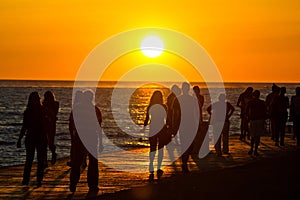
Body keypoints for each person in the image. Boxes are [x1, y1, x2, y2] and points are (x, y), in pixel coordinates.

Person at [69, 90, 102, 193]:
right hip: (91, 137)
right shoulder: (95, 109)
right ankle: (92, 185)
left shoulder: (77, 109)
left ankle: (73, 182)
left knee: (77, 161)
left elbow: (71, 124)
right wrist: (100, 141)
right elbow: (98, 126)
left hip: (80, 137)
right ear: (91, 98)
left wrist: (73, 137)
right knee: (93, 162)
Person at [17, 92, 47, 187]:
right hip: (32, 137)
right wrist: (20, 138)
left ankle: (38, 179)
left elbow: (45, 126)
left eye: (37, 98)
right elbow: (24, 126)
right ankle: (27, 179)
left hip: (39, 137)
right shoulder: (29, 112)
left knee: (39, 160)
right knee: (30, 159)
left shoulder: (41, 110)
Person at [143, 90, 168, 180]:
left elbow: (167, 119)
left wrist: (143, 128)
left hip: (158, 129)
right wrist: (143, 128)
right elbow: (146, 119)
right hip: (156, 128)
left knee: (157, 148)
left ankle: (156, 166)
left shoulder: (156, 106)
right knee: (155, 148)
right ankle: (153, 165)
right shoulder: (157, 107)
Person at [177, 82, 199, 172]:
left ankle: (185, 158)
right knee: (184, 143)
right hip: (183, 123)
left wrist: (198, 122)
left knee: (190, 144)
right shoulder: (178, 99)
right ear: (182, 89)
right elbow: (175, 113)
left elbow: (197, 112)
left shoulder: (192, 99)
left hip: (191, 123)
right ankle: (184, 162)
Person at [246, 90, 266, 156]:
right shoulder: (262, 102)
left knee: (253, 136)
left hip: (253, 119)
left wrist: (248, 118)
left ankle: (251, 149)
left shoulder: (250, 102)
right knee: (257, 136)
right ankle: (255, 150)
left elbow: (246, 111)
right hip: (260, 119)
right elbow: (264, 112)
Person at [165, 85, 181, 164]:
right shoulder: (173, 97)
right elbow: (171, 109)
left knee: (172, 130)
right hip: (171, 116)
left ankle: (172, 143)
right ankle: (172, 144)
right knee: (173, 129)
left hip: (171, 115)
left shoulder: (172, 97)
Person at [43, 91, 59, 166]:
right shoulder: (43, 104)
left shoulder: (55, 104)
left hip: (51, 125)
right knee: (44, 143)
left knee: (50, 143)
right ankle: (45, 160)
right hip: (44, 125)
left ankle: (53, 154)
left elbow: (54, 114)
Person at [192, 85, 205, 156]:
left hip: (198, 114)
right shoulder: (191, 98)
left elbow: (201, 105)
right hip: (192, 115)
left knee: (199, 130)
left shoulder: (201, 97)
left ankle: (197, 146)